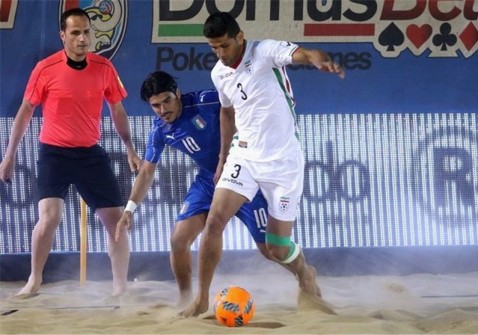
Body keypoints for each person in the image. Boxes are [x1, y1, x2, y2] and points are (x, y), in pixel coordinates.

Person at [180, 12, 344, 317]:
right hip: (244, 155)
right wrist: (223, 159)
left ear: (240, 36)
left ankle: (305, 272)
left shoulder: (264, 51)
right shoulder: (219, 73)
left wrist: (319, 60)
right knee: (214, 221)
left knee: (276, 248)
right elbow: (227, 114)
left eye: (225, 46)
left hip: (283, 161)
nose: (220, 54)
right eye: (214, 48)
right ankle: (202, 298)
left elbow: (306, 53)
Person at [115, 71, 315, 308]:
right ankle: (187, 299)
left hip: (247, 174)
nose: (162, 110)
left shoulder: (209, 101)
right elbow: (147, 171)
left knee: (270, 250)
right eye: (155, 105)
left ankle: (304, 272)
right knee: (179, 240)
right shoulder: (160, 129)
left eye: (167, 100)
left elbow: (247, 106)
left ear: (178, 93)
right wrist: (129, 209)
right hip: (210, 180)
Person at [0, 8, 141, 297]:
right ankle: (34, 280)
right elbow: (26, 111)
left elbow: (117, 110)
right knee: (49, 217)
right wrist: (9, 154)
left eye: (86, 32)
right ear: (63, 36)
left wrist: (130, 148)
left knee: (116, 221)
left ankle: (120, 287)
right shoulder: (45, 68)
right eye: (75, 33)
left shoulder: (104, 68)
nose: (82, 38)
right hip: (54, 154)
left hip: (90, 154)